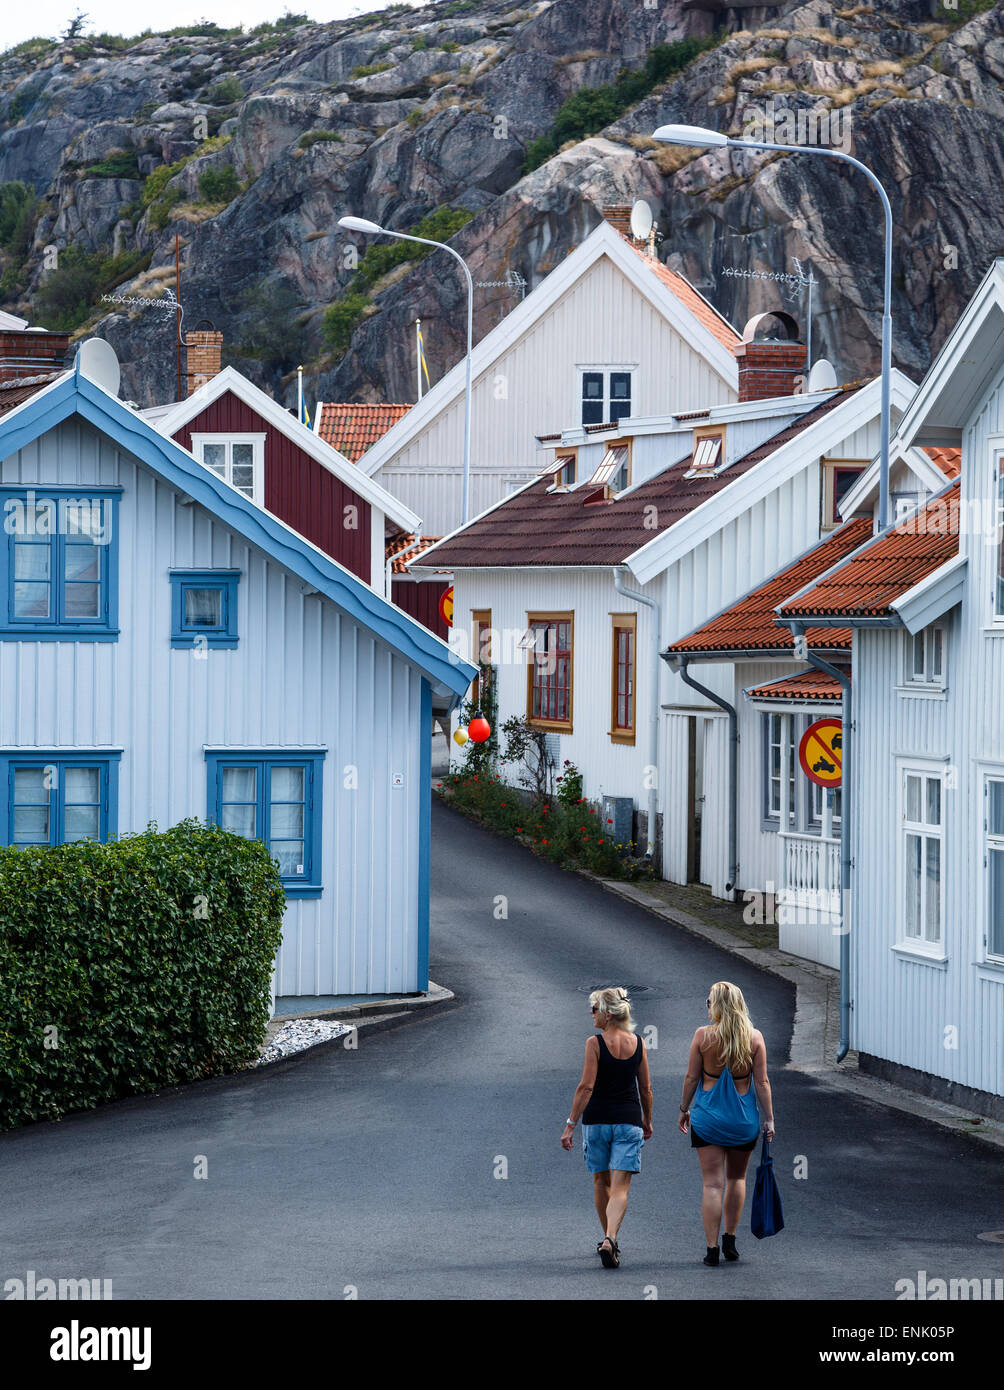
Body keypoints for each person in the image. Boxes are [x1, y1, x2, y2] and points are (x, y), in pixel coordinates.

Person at [678, 980, 775, 1266]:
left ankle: (711, 1250)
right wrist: (769, 1119)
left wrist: (684, 1108)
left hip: (707, 1120)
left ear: (718, 1007)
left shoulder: (702, 1037)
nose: (706, 1007)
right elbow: (762, 1082)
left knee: (712, 1184)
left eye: (709, 1002)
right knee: (737, 1179)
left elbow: (692, 1078)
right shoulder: (754, 1038)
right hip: (743, 1121)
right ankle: (730, 1238)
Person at [561, 987, 653, 1268]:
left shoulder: (595, 1043)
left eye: (595, 1009)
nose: (591, 1014)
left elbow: (586, 1086)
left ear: (608, 1014)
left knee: (601, 1182)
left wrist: (570, 1124)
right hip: (628, 1120)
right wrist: (647, 1119)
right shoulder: (638, 1042)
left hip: (597, 1121)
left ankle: (608, 1239)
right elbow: (646, 1088)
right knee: (621, 1187)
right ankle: (611, 1238)